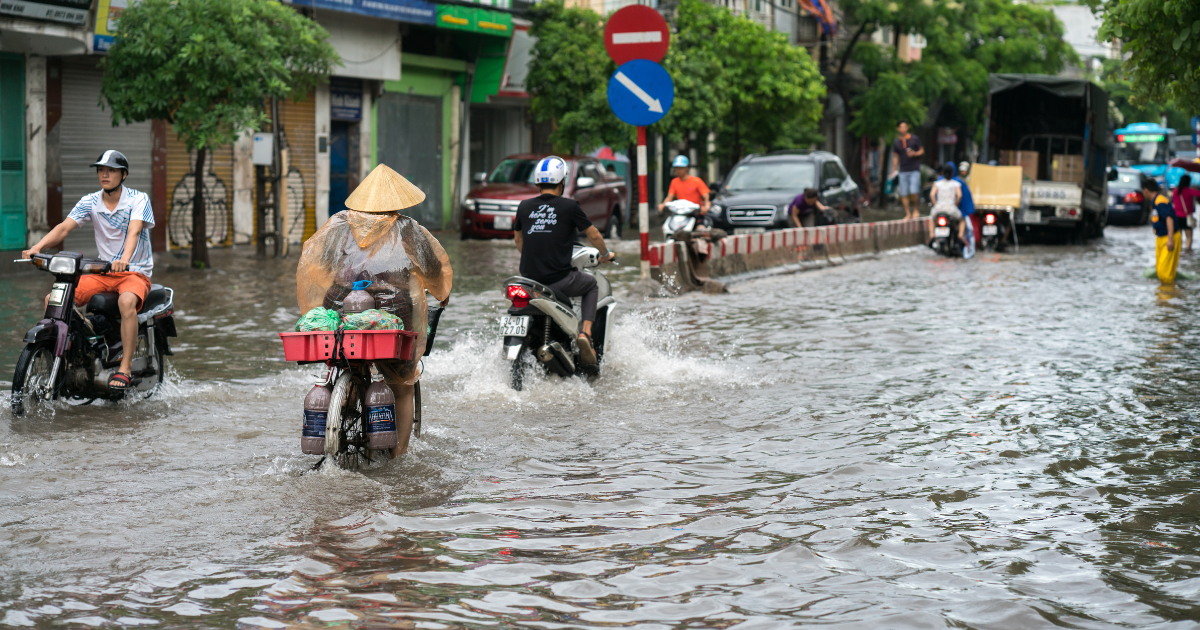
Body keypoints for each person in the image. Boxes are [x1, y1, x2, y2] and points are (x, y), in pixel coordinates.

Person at [296, 163, 452, 457]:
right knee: (402, 383)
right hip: (392, 312)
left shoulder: (339, 225)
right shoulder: (408, 228)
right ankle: (398, 456)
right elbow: (434, 269)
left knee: (347, 356)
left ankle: (343, 402)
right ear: (397, 201)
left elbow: (318, 266)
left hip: (340, 308)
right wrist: (441, 293)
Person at [22, 150, 154, 392]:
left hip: (134, 271)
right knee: (53, 300)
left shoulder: (138, 199)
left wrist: (123, 260)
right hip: (104, 273)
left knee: (126, 303)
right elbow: (64, 228)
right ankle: (68, 359)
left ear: (123, 175)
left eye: (111, 170)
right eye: (101, 169)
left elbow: (134, 232)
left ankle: (124, 368)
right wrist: (37, 247)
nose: (105, 174)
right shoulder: (90, 201)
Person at [514, 156, 615, 366]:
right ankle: (585, 334)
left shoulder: (524, 206)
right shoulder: (570, 207)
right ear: (561, 182)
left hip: (530, 282)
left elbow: (518, 239)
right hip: (559, 280)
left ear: (538, 182)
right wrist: (605, 255)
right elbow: (594, 234)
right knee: (591, 284)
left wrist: (533, 257)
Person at [1147, 179, 1180, 284]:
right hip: (1161, 237)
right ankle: (1165, 296)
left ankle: (1167, 297)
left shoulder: (1160, 201)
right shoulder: (1156, 201)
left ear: (1146, 190)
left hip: (1169, 237)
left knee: (1164, 273)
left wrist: (1170, 240)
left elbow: (1169, 218)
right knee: (1161, 270)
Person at [890, 120, 924, 220]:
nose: (903, 129)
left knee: (914, 191)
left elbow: (921, 150)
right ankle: (908, 213)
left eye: (905, 126)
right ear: (898, 129)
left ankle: (916, 210)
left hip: (914, 169)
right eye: (901, 127)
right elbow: (895, 157)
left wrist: (914, 154)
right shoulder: (897, 142)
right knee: (903, 193)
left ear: (907, 127)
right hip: (903, 170)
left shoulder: (914, 139)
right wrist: (893, 170)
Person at [928, 165, 966, 246]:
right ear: (952, 173)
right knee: (962, 220)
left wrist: (935, 204)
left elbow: (931, 195)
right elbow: (959, 195)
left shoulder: (937, 183)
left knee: (931, 218)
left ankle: (931, 235)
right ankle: (960, 235)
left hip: (938, 208)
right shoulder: (956, 184)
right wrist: (956, 203)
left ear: (942, 173)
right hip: (951, 209)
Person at [949, 161, 976, 259]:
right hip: (956, 210)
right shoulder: (958, 183)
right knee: (966, 226)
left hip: (940, 210)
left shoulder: (939, 182)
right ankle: (961, 236)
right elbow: (962, 197)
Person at [1172, 175, 1199, 251]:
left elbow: (1174, 202)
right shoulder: (1190, 191)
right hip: (1187, 218)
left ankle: (1179, 252)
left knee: (1178, 237)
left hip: (1176, 217)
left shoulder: (1175, 191)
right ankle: (1187, 252)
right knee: (1189, 237)